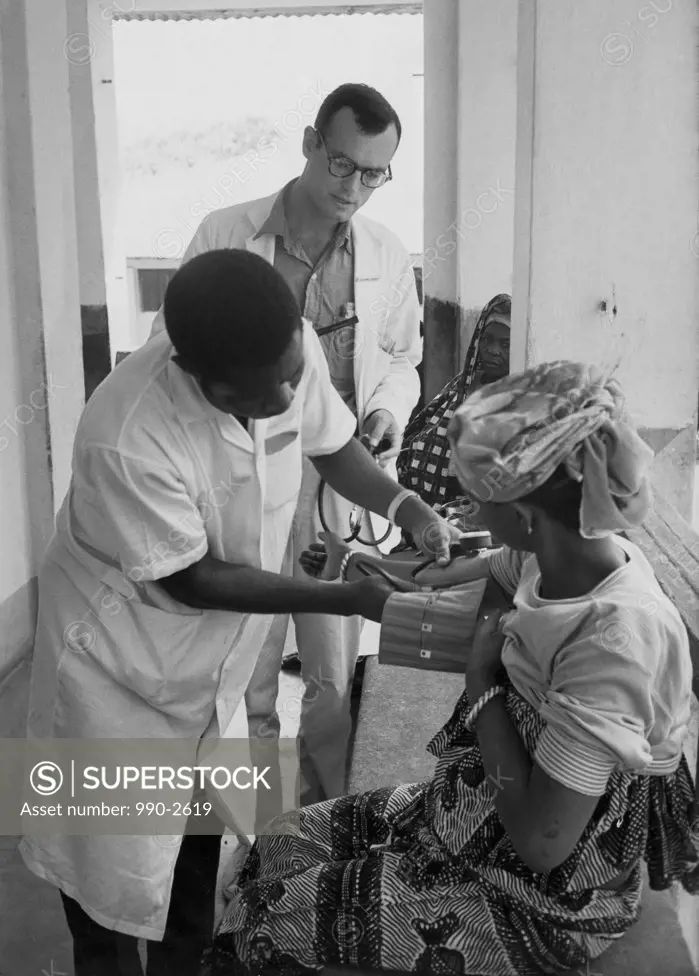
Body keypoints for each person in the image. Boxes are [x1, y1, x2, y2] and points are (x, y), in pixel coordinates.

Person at [19, 249, 451, 976]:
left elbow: (333, 443)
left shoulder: (284, 350)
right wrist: (347, 596)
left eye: (292, 373)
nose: (287, 394)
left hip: (208, 669)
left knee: (195, 852)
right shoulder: (127, 436)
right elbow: (196, 579)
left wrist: (405, 506)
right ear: (199, 377)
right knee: (105, 887)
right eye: (262, 393)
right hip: (115, 671)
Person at [203, 360, 698, 976]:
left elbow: (543, 845)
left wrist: (483, 687)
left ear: (524, 517)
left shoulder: (614, 641)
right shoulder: (557, 555)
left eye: (473, 498)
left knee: (261, 923)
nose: (460, 510)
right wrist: (357, 559)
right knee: (279, 843)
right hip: (468, 812)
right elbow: (445, 576)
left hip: (542, 897)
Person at [148, 82, 421, 806]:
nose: (354, 188)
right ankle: (266, 831)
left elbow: (400, 357)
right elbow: (177, 347)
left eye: (373, 173)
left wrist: (389, 409)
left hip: (340, 470)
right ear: (309, 143)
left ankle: (322, 822)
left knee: (331, 673)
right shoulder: (225, 233)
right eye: (341, 165)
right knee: (252, 671)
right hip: (242, 475)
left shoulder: (385, 253)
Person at [394, 293, 510, 545]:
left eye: (505, 345)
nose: (491, 350)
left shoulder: (517, 401)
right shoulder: (464, 383)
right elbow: (426, 427)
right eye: (487, 340)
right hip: (443, 492)